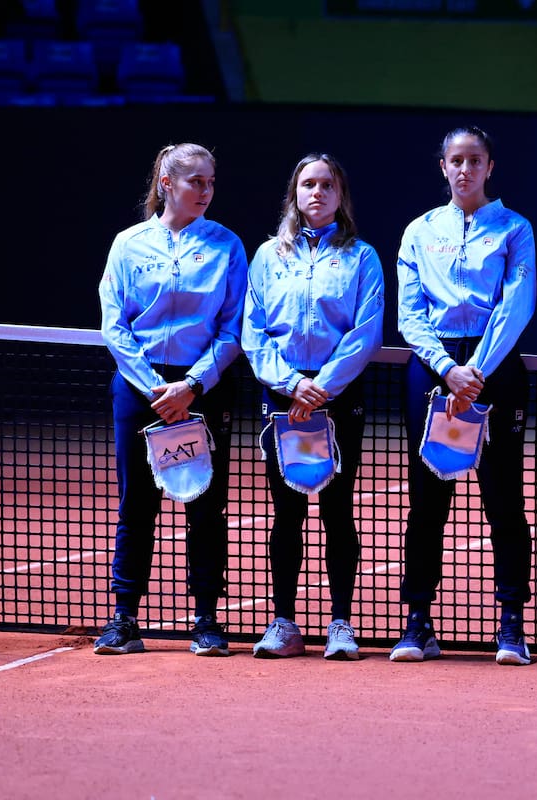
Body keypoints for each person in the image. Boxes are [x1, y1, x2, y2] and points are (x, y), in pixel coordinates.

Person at [96, 142, 247, 656]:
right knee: (136, 504)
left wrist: (192, 386)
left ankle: (206, 618)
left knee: (206, 504)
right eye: (194, 182)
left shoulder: (228, 245)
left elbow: (232, 330)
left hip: (201, 389)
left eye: (210, 181)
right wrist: (153, 387)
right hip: (141, 390)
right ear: (166, 183)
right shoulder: (127, 244)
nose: (205, 191)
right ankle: (123, 619)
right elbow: (113, 325)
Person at [392, 126, 536, 665]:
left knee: (504, 500)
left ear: (490, 167)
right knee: (426, 502)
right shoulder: (419, 232)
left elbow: (515, 305)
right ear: (443, 167)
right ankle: (417, 621)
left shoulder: (515, 228)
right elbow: (410, 314)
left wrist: (474, 369)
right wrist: (447, 368)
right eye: (456, 160)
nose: (465, 169)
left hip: (493, 370)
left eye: (475, 160)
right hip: (434, 372)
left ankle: (511, 623)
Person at [242, 153, 384, 660]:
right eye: (308, 184)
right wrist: (288, 383)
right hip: (281, 403)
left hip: (336, 402)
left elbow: (365, 332)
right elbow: (253, 331)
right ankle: (283, 622)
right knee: (286, 513)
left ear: (340, 195)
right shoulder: (266, 256)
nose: (317, 193)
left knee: (337, 511)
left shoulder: (363, 257)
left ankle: (340, 623)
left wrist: (320, 386)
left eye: (327, 184)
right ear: (295, 194)